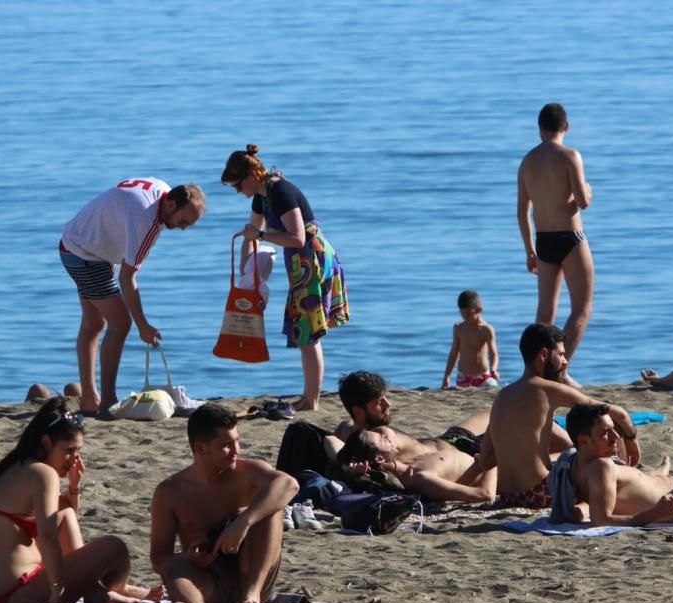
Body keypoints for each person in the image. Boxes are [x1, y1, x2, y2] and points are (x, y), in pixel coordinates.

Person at [0, 398, 156, 603]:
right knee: (115, 547)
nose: (74, 459)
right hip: (15, 596)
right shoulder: (43, 474)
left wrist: (74, 487)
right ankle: (108, 591)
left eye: (78, 451)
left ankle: (98, 590)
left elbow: (65, 514)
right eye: (69, 450)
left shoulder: (14, 467)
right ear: (46, 442)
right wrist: (58, 590)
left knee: (64, 511)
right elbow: (48, 536)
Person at [59, 178, 205, 415]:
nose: (183, 228)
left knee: (94, 323)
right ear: (171, 205)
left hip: (83, 243)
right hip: (83, 254)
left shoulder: (162, 193)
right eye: (183, 221)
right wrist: (143, 325)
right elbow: (128, 279)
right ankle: (106, 399)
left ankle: (89, 398)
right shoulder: (146, 220)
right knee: (121, 323)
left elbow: (117, 210)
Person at [222, 145, 350, 412]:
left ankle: (310, 400)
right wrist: (249, 276)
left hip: (311, 258)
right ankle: (309, 396)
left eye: (237, 185)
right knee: (304, 329)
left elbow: (297, 236)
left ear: (251, 175)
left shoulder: (280, 191)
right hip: (298, 262)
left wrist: (258, 237)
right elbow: (252, 232)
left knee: (308, 330)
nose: (238, 192)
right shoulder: (261, 196)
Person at [150, 403, 298, 603]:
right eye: (227, 445)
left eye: (237, 441)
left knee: (269, 508)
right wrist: (188, 557)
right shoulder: (170, 492)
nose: (237, 450)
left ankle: (252, 596)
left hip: (250, 572)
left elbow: (289, 484)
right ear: (201, 449)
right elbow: (158, 558)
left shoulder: (248, 473)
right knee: (171, 568)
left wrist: (243, 522)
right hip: (209, 581)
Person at [477, 323, 639, 509]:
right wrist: (630, 438)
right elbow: (618, 414)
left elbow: (485, 461)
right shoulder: (547, 390)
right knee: (608, 423)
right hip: (541, 494)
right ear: (544, 355)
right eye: (561, 354)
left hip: (507, 498)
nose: (565, 361)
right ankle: (628, 478)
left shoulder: (502, 396)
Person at [517, 103, 594, 384]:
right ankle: (559, 370)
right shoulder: (570, 156)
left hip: (543, 240)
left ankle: (534, 374)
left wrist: (529, 250)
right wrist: (589, 191)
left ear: (540, 129)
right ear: (567, 127)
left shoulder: (527, 162)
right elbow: (582, 201)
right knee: (582, 309)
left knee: (545, 314)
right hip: (570, 237)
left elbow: (522, 211)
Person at [335, 412, 497, 503]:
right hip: (493, 460)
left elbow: (341, 431)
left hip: (456, 441)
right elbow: (484, 494)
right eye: (380, 438)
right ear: (379, 459)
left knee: (499, 409)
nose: (383, 433)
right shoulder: (420, 478)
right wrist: (492, 457)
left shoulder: (403, 458)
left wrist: (346, 468)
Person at [441, 290, 499, 389]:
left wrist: (493, 369)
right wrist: (447, 376)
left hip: (482, 376)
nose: (464, 317)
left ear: (479, 310)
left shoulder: (486, 329)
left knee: (493, 388)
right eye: (462, 314)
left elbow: (494, 354)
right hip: (463, 377)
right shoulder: (459, 328)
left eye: (468, 314)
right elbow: (454, 353)